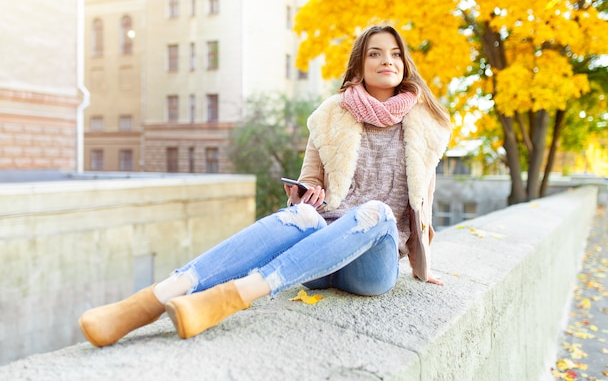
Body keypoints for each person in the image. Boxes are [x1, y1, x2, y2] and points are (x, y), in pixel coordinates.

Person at [78, 25, 452, 347]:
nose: (387, 60)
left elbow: (422, 207)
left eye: (395, 54)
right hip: (318, 255)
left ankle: (231, 297)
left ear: (404, 65)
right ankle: (148, 302)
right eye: (375, 53)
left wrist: (423, 266)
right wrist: (304, 195)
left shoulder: (425, 127)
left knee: (377, 212)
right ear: (359, 65)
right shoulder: (329, 117)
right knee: (303, 215)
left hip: (371, 264)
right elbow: (311, 178)